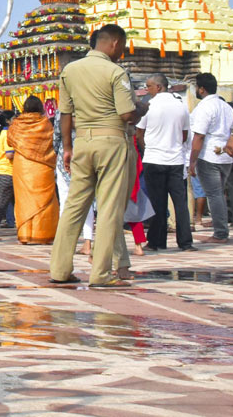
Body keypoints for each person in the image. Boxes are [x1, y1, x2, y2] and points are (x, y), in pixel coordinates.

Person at [49, 24, 139, 288]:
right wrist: (140, 110)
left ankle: (60, 268)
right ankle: (101, 273)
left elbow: (65, 113)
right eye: (122, 47)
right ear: (114, 43)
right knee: (109, 208)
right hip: (111, 140)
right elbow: (125, 114)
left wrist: (67, 147)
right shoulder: (115, 71)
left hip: (82, 143)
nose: (121, 52)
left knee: (74, 208)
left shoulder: (70, 71)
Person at [135, 73, 194, 252]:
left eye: (149, 86)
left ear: (159, 87)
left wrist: (148, 148)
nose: (147, 90)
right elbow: (184, 135)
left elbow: (139, 133)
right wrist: (173, 144)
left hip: (154, 158)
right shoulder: (181, 106)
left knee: (157, 202)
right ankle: (185, 242)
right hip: (175, 159)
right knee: (180, 203)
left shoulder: (149, 106)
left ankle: (157, 241)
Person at [189, 72, 233, 244]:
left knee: (214, 194)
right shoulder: (226, 107)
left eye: (196, 86)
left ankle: (220, 233)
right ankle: (221, 229)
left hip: (209, 155)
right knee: (218, 194)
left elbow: (199, 136)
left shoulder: (204, 108)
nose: (195, 89)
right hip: (225, 156)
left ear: (202, 89)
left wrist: (192, 161)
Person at [6, 95, 58, 244]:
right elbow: (51, 142)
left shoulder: (16, 124)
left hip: (22, 165)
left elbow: (10, 141)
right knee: (45, 201)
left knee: (24, 200)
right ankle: (43, 234)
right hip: (42, 165)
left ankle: (25, 235)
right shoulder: (46, 123)